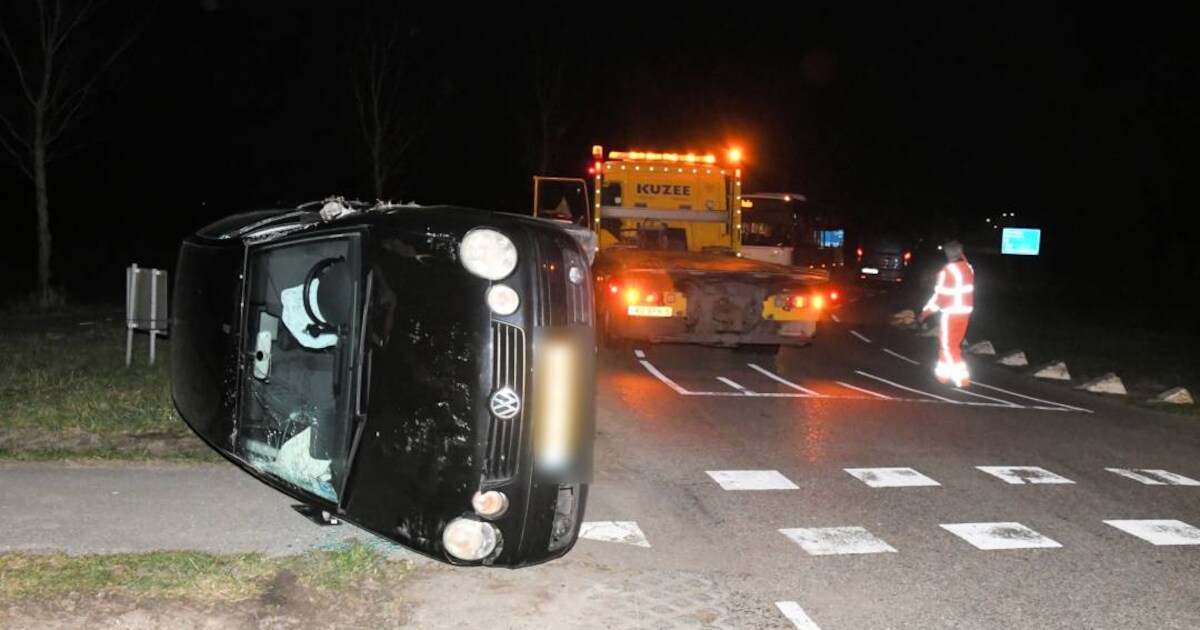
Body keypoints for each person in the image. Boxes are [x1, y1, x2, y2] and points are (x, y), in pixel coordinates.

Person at [919, 240, 974, 387]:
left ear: (947, 254)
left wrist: (924, 313)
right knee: (953, 344)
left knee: (948, 346)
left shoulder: (946, 272)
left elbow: (939, 298)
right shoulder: (968, 268)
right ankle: (942, 376)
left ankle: (962, 379)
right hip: (965, 311)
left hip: (951, 313)